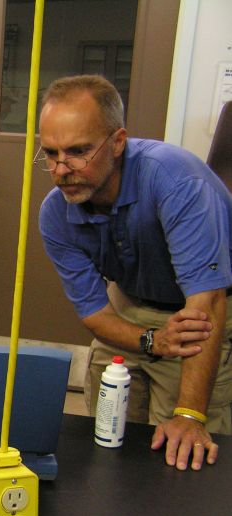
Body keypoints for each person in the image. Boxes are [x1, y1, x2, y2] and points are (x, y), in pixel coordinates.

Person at [37, 74, 232, 471]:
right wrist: (153, 341)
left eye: (77, 152)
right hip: (129, 303)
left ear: (118, 141)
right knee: (107, 441)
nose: (61, 169)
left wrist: (191, 416)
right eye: (50, 153)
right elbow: (95, 314)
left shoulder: (176, 181)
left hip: (203, 310)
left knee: (183, 454)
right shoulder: (55, 213)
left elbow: (207, 302)